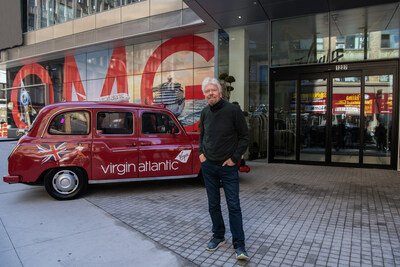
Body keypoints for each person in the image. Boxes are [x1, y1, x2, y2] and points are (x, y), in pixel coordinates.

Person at [199, 77, 250, 260]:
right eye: (207, 91)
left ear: (220, 93)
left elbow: (244, 137)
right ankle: (218, 236)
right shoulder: (205, 112)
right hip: (209, 166)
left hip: (227, 168)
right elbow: (202, 135)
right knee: (213, 204)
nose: (210, 93)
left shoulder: (233, 111)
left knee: (233, 205)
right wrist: (201, 154)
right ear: (204, 95)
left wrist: (234, 159)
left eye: (213, 90)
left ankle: (239, 245)